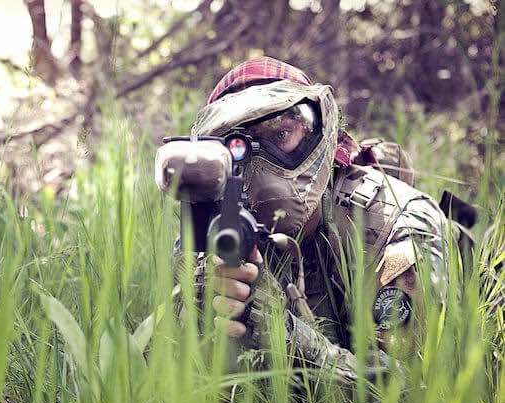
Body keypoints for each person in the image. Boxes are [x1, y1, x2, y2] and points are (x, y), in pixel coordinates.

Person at [172, 57, 451, 382]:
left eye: (280, 136)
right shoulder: (215, 231)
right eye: (239, 147)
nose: (261, 163)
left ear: (318, 133)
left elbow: (409, 393)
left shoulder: (397, 222)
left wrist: (284, 334)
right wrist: (194, 316)